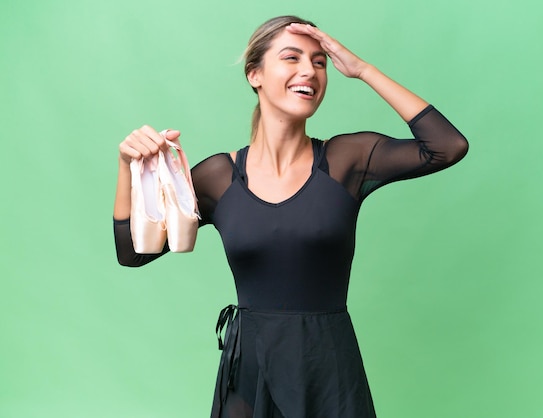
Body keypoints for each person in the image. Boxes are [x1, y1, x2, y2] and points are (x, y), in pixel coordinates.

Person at [113, 15, 468, 418]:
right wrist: (129, 167)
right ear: (255, 74)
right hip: (248, 376)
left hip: (329, 372)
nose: (309, 71)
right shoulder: (219, 177)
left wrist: (362, 70)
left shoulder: (347, 160)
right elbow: (133, 252)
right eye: (291, 57)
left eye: (320, 62)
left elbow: (447, 146)